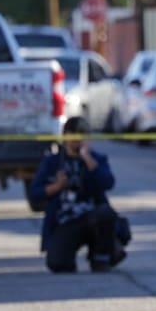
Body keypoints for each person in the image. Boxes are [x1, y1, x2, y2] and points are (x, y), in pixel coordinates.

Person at [29, 116, 123, 273]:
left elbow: (108, 183)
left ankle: (101, 255)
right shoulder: (52, 162)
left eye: (81, 136)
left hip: (92, 217)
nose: (77, 142)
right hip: (66, 221)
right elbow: (35, 193)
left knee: (106, 214)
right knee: (58, 265)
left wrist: (89, 160)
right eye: (73, 136)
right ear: (65, 137)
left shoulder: (97, 159)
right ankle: (66, 255)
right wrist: (56, 186)